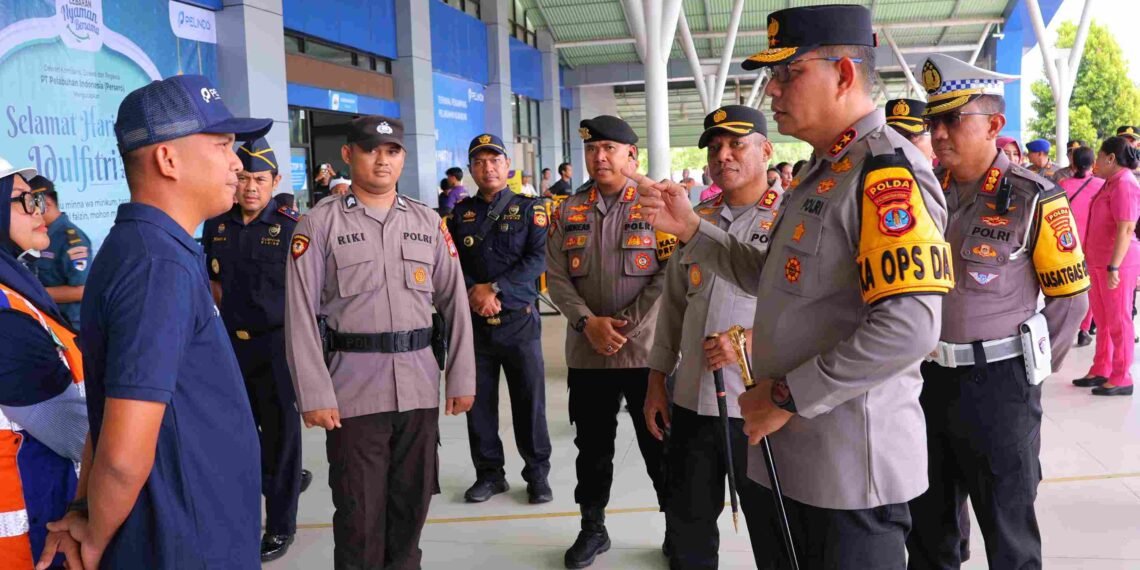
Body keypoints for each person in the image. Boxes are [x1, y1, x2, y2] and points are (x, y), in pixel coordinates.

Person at [639, 6, 953, 567]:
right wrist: (691, 228)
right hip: (787, 453)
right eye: (772, 77)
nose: (773, 91)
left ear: (845, 75)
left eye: (789, 74)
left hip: (847, 469)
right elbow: (775, 278)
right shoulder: (822, 170)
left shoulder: (884, 172)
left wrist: (786, 397)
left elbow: (910, 326)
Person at [44, 75, 270, 569]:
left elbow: (106, 412)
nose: (238, 163)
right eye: (223, 145)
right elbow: (123, 454)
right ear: (167, 160)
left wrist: (86, 508)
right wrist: (96, 537)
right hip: (183, 542)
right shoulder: (156, 266)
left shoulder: (153, 249)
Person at [906, 54, 1089, 570]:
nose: (938, 133)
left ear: (993, 124)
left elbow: (1071, 299)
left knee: (1008, 532)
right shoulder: (924, 195)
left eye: (953, 119)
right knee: (929, 529)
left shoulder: (1034, 198)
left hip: (998, 387)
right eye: (933, 121)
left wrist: (1023, 373)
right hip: (924, 382)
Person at [285, 115, 475, 569]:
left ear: (403, 158)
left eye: (392, 152)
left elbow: (455, 303)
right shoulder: (318, 224)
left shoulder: (428, 221)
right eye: (371, 150)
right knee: (358, 515)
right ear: (348, 155)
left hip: (418, 388)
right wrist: (313, 393)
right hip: (352, 392)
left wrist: (462, 377)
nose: (382, 160)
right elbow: (299, 315)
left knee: (411, 508)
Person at [645, 105, 781, 570]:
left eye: (736, 144)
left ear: (766, 151)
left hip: (760, 404)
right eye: (715, 147)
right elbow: (674, 306)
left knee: (771, 528)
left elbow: (815, 312)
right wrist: (656, 380)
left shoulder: (792, 219)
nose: (723, 155)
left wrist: (750, 342)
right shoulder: (692, 218)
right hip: (692, 400)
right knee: (688, 525)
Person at [546, 115, 676, 569]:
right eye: (592, 149)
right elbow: (556, 276)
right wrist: (587, 323)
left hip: (646, 354)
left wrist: (624, 326)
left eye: (609, 148)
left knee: (659, 443)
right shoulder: (566, 209)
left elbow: (668, 275)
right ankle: (592, 527)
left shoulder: (654, 204)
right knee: (592, 447)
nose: (599, 157)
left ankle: (676, 528)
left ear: (630, 155)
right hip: (587, 354)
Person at [200, 137, 313, 562]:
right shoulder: (218, 225)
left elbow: (309, 294)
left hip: (278, 349)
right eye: (243, 177)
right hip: (231, 348)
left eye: (260, 179)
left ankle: (282, 525)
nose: (250, 187)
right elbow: (214, 286)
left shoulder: (291, 227)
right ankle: (246, 510)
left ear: (275, 181)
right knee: (238, 436)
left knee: (282, 439)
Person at [448, 134, 552, 505]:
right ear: (472, 169)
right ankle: (489, 475)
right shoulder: (460, 215)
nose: (488, 167)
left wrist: (494, 289)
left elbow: (538, 259)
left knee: (530, 403)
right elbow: (451, 263)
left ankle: (537, 475)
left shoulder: (531, 209)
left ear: (507, 166)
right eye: (479, 162)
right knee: (479, 405)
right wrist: (476, 293)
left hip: (519, 322)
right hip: (476, 327)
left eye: (495, 160)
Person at [0, 160, 88, 570]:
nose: (40, 210)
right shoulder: (7, 320)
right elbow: (79, 436)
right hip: (25, 544)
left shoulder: (14, 288)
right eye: (26, 200)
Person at [1071, 137, 1140, 396]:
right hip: (1099, 260)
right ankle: (1102, 367)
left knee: (1119, 319)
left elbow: (1127, 227)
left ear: (1111, 158)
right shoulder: (1110, 182)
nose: (1096, 162)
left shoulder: (1125, 183)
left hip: (1117, 263)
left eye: (1100, 157)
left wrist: (1114, 267)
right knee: (1102, 318)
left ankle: (1122, 376)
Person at [29, 177, 91, 329]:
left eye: (31, 208)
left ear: (47, 204)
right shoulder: (36, 236)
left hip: (69, 326)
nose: (29, 215)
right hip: (47, 322)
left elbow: (82, 291)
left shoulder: (71, 240)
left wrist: (33, 293)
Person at [1059, 147, 1104, 347]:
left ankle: (1065, 329)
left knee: (1067, 288)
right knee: (1090, 288)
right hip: (1094, 244)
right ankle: (1084, 329)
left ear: (1073, 164)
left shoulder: (1063, 185)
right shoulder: (1103, 185)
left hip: (1067, 245)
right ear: (1093, 164)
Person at [886, 98, 936, 165]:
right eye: (893, 136)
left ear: (934, 147)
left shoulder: (950, 174)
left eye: (910, 136)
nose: (898, 144)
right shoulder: (873, 174)